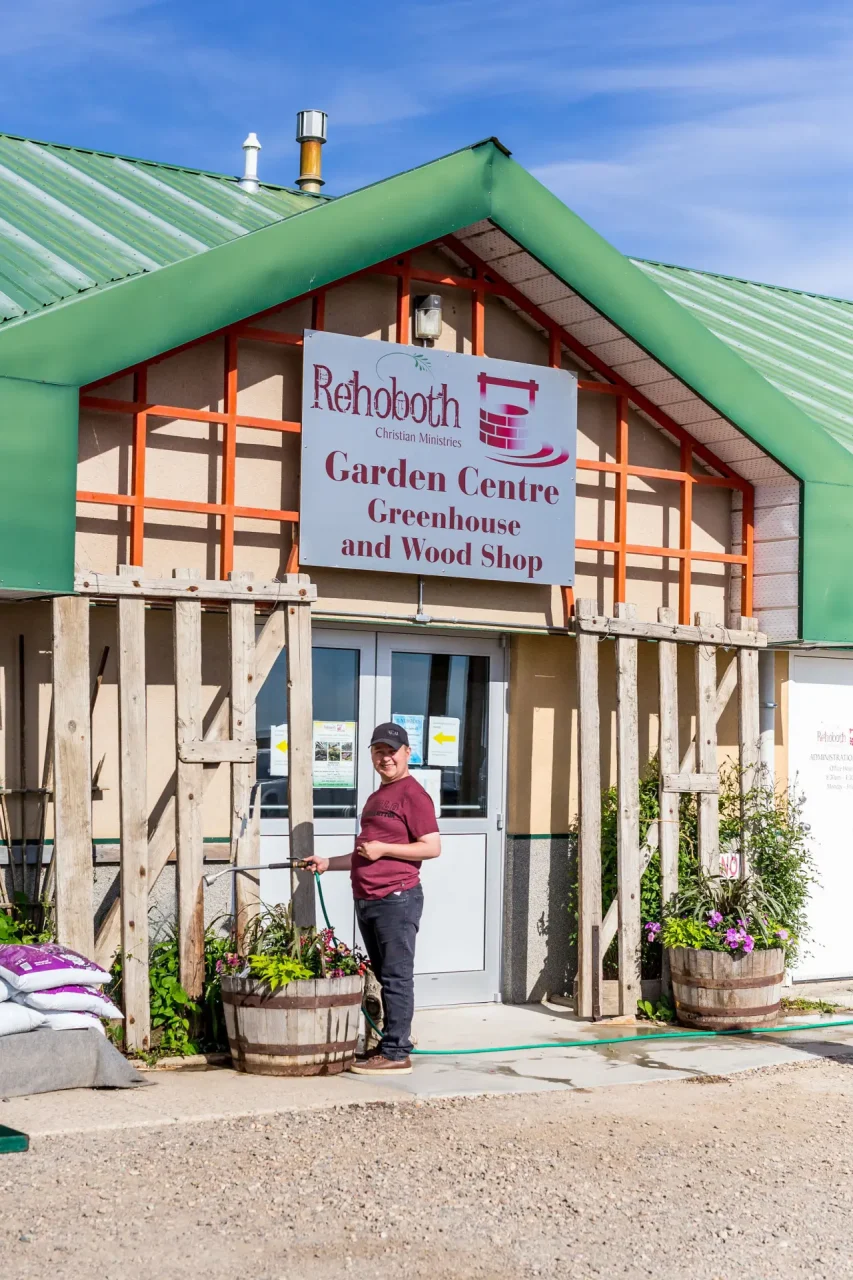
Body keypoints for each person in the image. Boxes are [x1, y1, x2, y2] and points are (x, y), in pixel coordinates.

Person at [304, 722, 440, 1074]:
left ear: (407, 753)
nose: (385, 758)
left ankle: (397, 1053)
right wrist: (328, 863)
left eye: (392, 751)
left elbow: (431, 847)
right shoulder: (377, 797)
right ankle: (390, 1043)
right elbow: (366, 853)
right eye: (379, 751)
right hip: (368, 899)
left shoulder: (414, 795)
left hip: (397, 897)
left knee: (396, 977)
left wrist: (384, 849)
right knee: (384, 975)